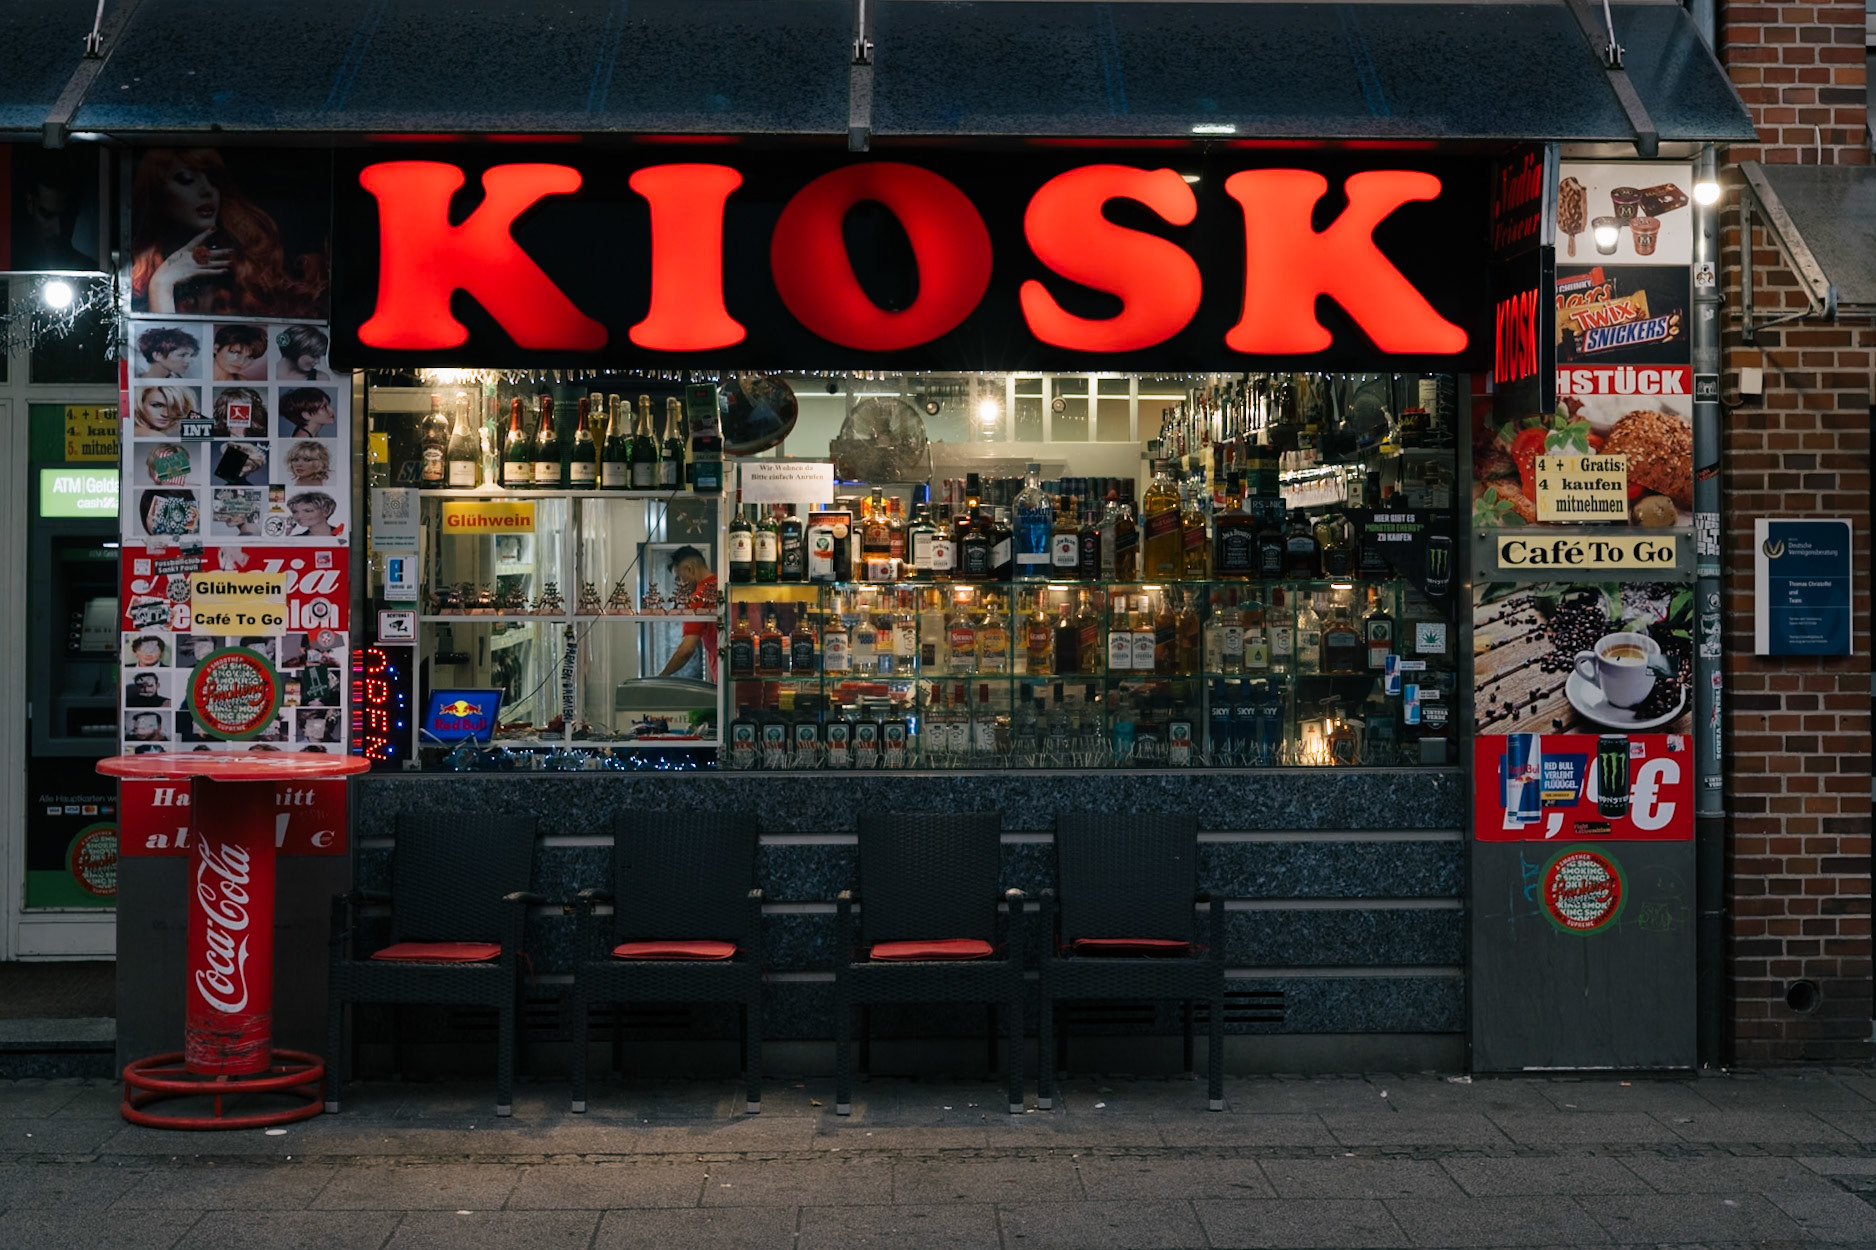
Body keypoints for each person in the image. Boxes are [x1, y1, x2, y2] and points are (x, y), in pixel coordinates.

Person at [129, 148, 326, 317]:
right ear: (156, 194)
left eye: (213, 180)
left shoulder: (246, 266)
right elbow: (162, 352)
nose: (207, 190)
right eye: (186, 179)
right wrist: (161, 284)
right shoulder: (137, 278)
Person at [655, 546, 718, 680]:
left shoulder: (697, 598)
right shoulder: (723, 585)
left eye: (679, 578)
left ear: (690, 568)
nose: (681, 583)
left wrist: (661, 677)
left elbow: (687, 649)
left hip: (725, 678)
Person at [133, 385, 198, 436]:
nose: (165, 414)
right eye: (156, 405)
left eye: (173, 407)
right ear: (140, 404)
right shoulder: (153, 435)